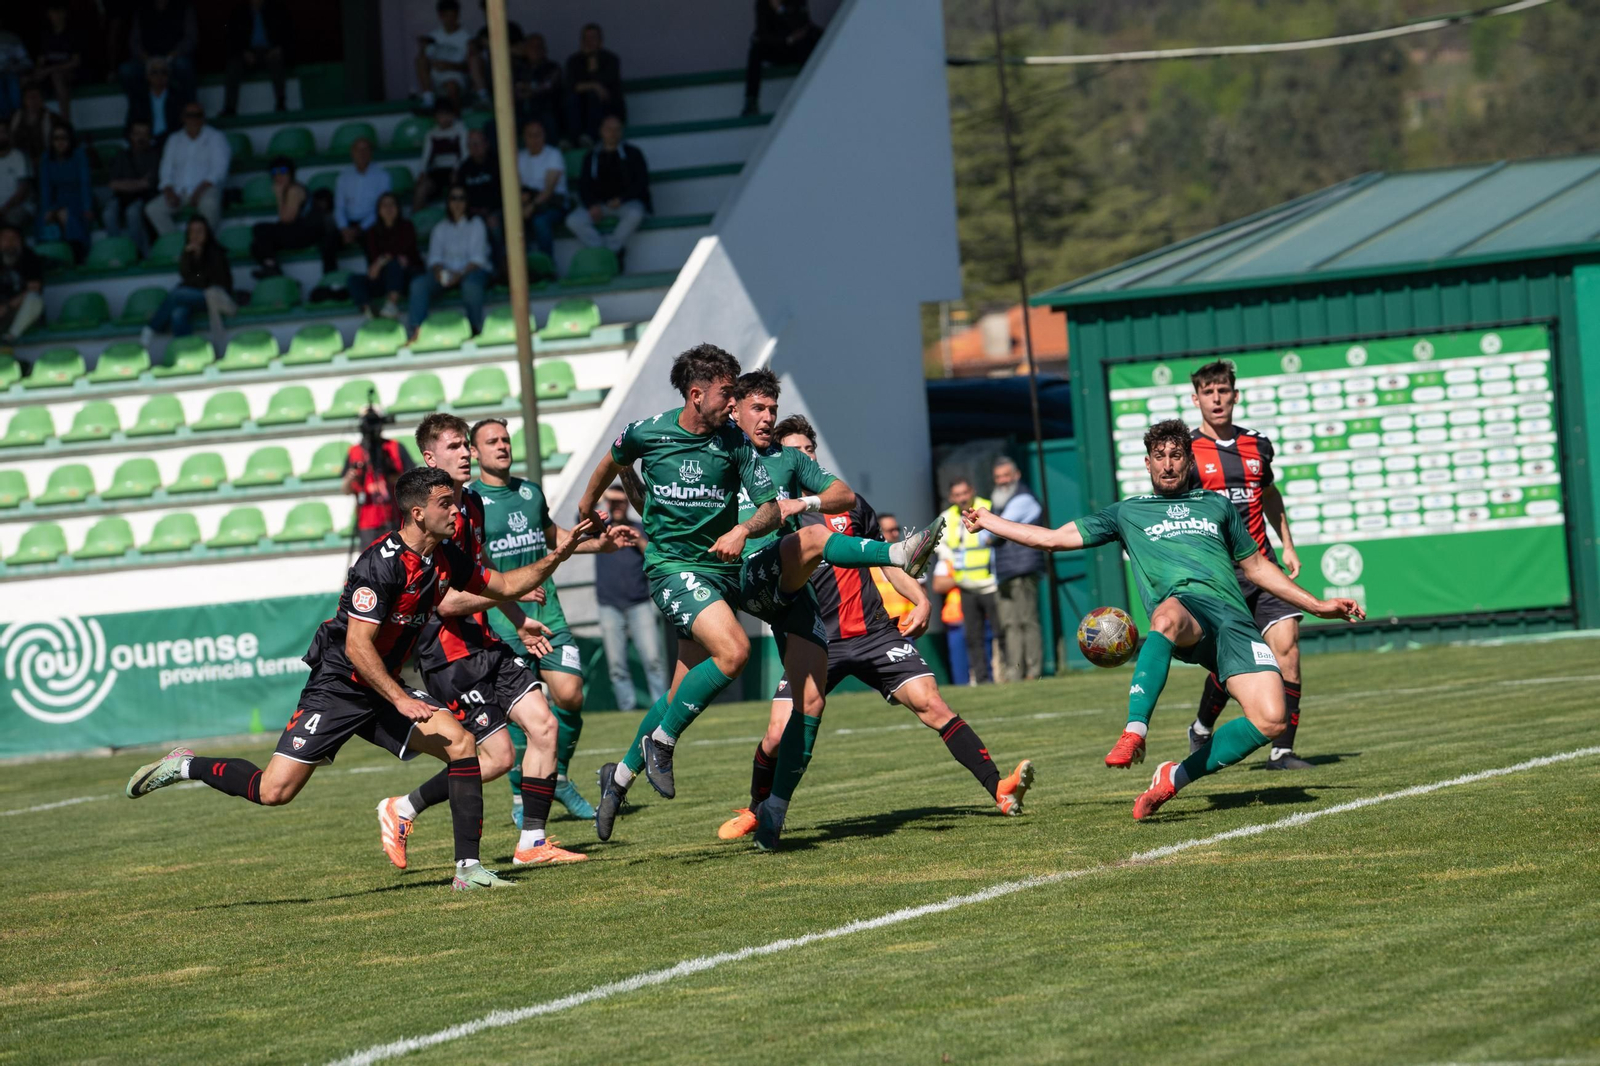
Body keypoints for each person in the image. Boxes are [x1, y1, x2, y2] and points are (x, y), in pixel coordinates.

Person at [126, 465, 596, 891]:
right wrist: (400, 698)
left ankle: (468, 870)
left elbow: (506, 585)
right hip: (341, 688)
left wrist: (562, 551)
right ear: (417, 513)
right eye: (445, 504)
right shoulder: (380, 564)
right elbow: (356, 647)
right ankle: (186, 765)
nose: (456, 510)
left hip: (383, 687)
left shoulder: (444, 558)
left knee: (461, 743)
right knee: (274, 792)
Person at [583, 357, 942, 848]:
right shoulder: (717, 446)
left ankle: (756, 806)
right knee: (796, 565)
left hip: (774, 582)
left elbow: (842, 496)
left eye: (771, 408)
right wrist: (614, 494)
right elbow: (653, 488)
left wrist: (802, 502)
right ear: (732, 409)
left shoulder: (784, 458)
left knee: (808, 700)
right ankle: (898, 551)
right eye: (755, 407)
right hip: (730, 576)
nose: (766, 417)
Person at [963, 419, 1363, 821]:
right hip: (1185, 612)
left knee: (1272, 719)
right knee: (1166, 616)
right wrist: (989, 521)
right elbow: (1050, 538)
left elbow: (1257, 565)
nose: (1168, 464)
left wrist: (1316, 605)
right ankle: (1134, 730)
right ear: (1148, 463)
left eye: (1176, 456)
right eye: (1160, 457)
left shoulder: (1216, 506)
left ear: (1189, 462)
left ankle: (1173, 777)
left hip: (1233, 622)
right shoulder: (1128, 512)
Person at [716, 408, 1032, 844]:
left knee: (931, 703)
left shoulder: (850, 504)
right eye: (795, 452)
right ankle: (758, 811)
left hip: (874, 633)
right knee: (775, 734)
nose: (805, 458)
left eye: (809, 450)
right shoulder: (777, 518)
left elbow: (886, 561)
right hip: (814, 638)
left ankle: (998, 787)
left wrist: (920, 597)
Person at [376, 414, 621, 869]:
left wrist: (519, 617)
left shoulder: (472, 505)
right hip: (448, 654)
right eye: (455, 447)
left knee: (544, 726)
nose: (466, 453)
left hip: (486, 640)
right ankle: (403, 807)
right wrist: (519, 587)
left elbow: (482, 575)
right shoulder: (427, 520)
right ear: (430, 458)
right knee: (497, 757)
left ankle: (532, 842)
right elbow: (447, 604)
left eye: (466, 446)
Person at [467, 417, 632, 824]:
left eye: (505, 439)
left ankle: (554, 775)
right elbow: (473, 564)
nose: (502, 446)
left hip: (550, 614)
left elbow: (552, 538)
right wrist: (512, 591)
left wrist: (599, 545)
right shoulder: (470, 502)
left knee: (571, 695)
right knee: (522, 713)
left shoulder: (529, 492)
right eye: (492, 441)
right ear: (475, 452)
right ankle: (523, 796)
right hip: (504, 622)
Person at [1184, 359, 1313, 770]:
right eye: (1209, 392)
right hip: (1218, 575)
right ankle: (1202, 727)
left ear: (1235, 396)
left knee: (1287, 649)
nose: (1217, 399)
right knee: (1232, 661)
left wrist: (1287, 545)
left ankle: (1282, 751)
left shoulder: (1258, 444)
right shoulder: (1187, 452)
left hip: (1263, 564)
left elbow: (1269, 495)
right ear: (1196, 398)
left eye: (1223, 391)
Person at [594, 483, 669, 712]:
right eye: (613, 502)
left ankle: (661, 707)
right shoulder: (600, 529)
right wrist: (605, 496)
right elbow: (583, 513)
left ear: (628, 503)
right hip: (609, 606)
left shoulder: (640, 527)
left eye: (622, 502)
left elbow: (653, 556)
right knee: (616, 665)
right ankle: (626, 709)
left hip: (640, 604)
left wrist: (637, 540)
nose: (618, 506)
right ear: (607, 502)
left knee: (654, 660)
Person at [986, 456, 1046, 682]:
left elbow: (993, 531)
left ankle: (1033, 670)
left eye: (1005, 476)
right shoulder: (997, 502)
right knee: (1010, 624)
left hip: (1022, 568)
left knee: (1027, 621)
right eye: (998, 477)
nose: (1001, 481)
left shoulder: (1024, 499)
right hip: (1004, 571)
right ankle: (1015, 672)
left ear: (1016, 475)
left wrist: (989, 530)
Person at [565, 114, 649, 266]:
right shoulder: (591, 157)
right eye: (609, 129)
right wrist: (591, 205)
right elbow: (583, 185)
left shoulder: (633, 154)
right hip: (599, 206)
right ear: (601, 131)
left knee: (636, 212)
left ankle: (612, 249)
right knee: (573, 220)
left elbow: (641, 183)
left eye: (617, 129)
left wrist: (622, 199)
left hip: (625, 204)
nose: (613, 133)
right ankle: (603, 250)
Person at [407, 183, 489, 338]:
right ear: (448, 202)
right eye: (453, 198)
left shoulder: (477, 224)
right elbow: (434, 259)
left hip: (471, 272)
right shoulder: (440, 228)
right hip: (446, 275)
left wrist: (460, 274)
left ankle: (474, 329)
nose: (457, 203)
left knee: (471, 285)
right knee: (419, 284)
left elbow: (477, 259)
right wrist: (439, 272)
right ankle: (416, 331)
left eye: (461, 198)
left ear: (467, 201)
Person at [940, 477, 1001, 684]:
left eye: (965, 493)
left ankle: (1007, 675)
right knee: (973, 637)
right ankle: (983, 680)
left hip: (991, 583)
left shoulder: (988, 507)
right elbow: (943, 548)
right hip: (965, 586)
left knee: (1000, 632)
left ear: (972, 490)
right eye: (957, 495)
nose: (962, 498)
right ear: (951, 497)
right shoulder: (947, 517)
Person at [138, 216, 232, 343]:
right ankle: (187, 349)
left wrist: (196, 270)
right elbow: (186, 275)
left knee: (178, 293)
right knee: (178, 313)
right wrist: (188, 257)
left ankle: (151, 328)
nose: (196, 235)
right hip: (194, 296)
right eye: (192, 231)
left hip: (214, 296)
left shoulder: (216, 253)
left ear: (206, 233)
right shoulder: (188, 253)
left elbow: (206, 279)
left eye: (200, 231)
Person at [249, 155, 339, 278]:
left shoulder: (294, 190)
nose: (279, 176)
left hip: (307, 233)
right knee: (256, 245)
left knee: (260, 229)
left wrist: (279, 197)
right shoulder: (289, 190)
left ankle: (272, 267)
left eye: (283, 171)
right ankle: (271, 266)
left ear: (291, 173)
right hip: (297, 232)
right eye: (275, 172)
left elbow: (287, 219)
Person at [147, 101, 229, 235]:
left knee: (210, 205)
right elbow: (166, 169)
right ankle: (177, 245)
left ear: (203, 117)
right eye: (190, 115)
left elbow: (219, 170)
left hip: (206, 190)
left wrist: (199, 191)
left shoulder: (216, 137)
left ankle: (204, 244)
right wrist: (168, 191)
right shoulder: (174, 139)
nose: (194, 119)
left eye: (198, 115)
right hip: (178, 191)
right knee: (153, 209)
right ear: (183, 118)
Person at [346, 192, 420, 320]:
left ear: (398, 208)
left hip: (406, 278)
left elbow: (404, 253)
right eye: (384, 205)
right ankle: (369, 310)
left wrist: (382, 261)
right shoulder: (372, 232)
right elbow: (373, 263)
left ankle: (391, 304)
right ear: (378, 210)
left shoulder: (407, 226)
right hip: (382, 278)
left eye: (392, 204)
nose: (388, 208)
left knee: (394, 265)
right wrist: (380, 263)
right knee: (353, 280)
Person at [343, 415, 414, 546]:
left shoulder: (394, 447)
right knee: (370, 563)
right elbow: (346, 490)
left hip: (395, 516)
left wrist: (390, 472)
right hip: (367, 522)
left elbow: (411, 478)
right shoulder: (354, 452)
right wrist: (350, 478)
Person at [743, 0, 821, 116]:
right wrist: (787, 40)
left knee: (807, 44)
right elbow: (762, 34)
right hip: (778, 48)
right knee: (756, 51)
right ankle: (751, 101)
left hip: (797, 49)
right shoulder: (763, 4)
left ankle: (810, 94)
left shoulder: (797, 2)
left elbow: (802, 27)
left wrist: (780, 10)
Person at [120, 0, 197, 104]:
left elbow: (191, 38)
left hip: (174, 58)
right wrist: (147, 59)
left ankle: (190, 109)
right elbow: (134, 42)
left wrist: (173, 55)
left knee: (184, 65)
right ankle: (139, 110)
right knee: (127, 71)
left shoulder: (183, 7)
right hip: (147, 60)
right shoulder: (142, 9)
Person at [34, 124, 92, 261]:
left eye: (64, 138)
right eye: (56, 138)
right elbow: (45, 186)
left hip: (78, 198)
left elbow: (85, 183)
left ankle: (78, 254)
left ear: (70, 140)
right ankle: (49, 258)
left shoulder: (79, 155)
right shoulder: (47, 158)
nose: (60, 142)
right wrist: (48, 209)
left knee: (68, 216)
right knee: (43, 219)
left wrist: (87, 207)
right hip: (56, 199)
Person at [223, 0, 290, 116]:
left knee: (278, 61)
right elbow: (232, 37)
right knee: (233, 66)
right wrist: (244, 52)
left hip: (270, 52)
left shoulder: (276, 9)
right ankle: (230, 108)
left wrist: (277, 48)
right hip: (247, 53)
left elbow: (287, 33)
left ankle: (281, 104)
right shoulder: (240, 11)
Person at [103, 120, 160, 257]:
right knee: (108, 214)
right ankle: (117, 253)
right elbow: (112, 184)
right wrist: (138, 183)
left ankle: (137, 254)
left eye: (144, 134)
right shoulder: (121, 155)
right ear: (130, 136)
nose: (140, 138)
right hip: (121, 198)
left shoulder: (154, 156)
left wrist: (126, 184)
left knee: (132, 213)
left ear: (150, 137)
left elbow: (148, 184)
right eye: (136, 134)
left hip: (145, 198)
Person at [563, 22, 623, 144]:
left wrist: (593, 72)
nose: (589, 42)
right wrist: (594, 85)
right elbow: (571, 86)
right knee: (571, 99)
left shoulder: (611, 59)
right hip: (580, 108)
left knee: (593, 95)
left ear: (600, 41)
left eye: (593, 38)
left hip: (607, 108)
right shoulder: (574, 61)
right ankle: (573, 138)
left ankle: (590, 136)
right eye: (586, 38)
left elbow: (607, 85)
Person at [515, 118, 566, 257]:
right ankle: (522, 266)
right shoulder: (519, 157)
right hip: (528, 202)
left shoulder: (553, 154)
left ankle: (547, 267)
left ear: (544, 136)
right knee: (509, 221)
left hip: (553, 204)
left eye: (538, 135)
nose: (534, 139)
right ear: (524, 137)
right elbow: (517, 187)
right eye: (530, 135)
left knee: (540, 222)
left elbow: (548, 190)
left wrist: (531, 206)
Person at [333, 137, 390, 254]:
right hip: (347, 223)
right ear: (352, 153)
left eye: (365, 149)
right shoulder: (343, 177)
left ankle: (373, 272)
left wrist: (360, 229)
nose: (362, 153)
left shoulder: (383, 176)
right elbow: (339, 207)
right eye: (358, 150)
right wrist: (344, 229)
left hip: (371, 223)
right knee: (328, 243)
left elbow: (382, 208)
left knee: (374, 243)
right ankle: (331, 273)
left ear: (371, 152)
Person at [455, 128, 501, 272]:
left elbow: (504, 195)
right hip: (473, 213)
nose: (474, 147)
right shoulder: (464, 169)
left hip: (497, 210)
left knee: (494, 225)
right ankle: (470, 270)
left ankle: (499, 268)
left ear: (487, 144)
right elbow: (460, 197)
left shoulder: (498, 163)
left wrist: (488, 213)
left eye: (478, 143)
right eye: (471, 144)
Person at [31, 1, 83, 125]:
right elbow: (40, 62)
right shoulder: (46, 36)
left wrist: (50, 70)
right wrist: (37, 73)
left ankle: (65, 123)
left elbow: (76, 62)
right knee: (26, 80)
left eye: (59, 12)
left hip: (69, 74)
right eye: (53, 13)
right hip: (48, 74)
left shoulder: (72, 34)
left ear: (64, 14)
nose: (56, 16)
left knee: (57, 77)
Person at [412, 97, 468, 211]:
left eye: (447, 114)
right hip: (437, 172)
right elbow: (425, 157)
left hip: (456, 170)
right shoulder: (431, 134)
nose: (444, 118)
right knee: (421, 188)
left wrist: (457, 169)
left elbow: (465, 155)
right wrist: (422, 173)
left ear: (453, 115)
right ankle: (416, 220)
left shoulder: (461, 130)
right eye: (440, 115)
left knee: (455, 181)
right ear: (435, 117)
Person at [415, 0, 471, 110]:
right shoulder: (432, 36)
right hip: (435, 78)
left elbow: (469, 67)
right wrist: (422, 49)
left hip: (456, 77)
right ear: (440, 16)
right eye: (446, 16)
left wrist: (449, 66)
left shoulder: (467, 38)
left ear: (458, 15)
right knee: (420, 60)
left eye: (453, 16)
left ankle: (455, 117)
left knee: (451, 86)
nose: (450, 20)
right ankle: (428, 99)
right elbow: (423, 63)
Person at [511, 33, 562, 141]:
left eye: (539, 46)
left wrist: (526, 87)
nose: (536, 49)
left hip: (543, 112)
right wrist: (535, 88)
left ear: (545, 49)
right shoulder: (517, 68)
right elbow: (513, 89)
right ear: (525, 49)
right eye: (532, 46)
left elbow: (548, 86)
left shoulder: (552, 67)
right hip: (520, 113)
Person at [0, 225, 45, 345]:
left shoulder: (29, 257)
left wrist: (8, 306)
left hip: (20, 311)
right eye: (5, 238)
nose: (9, 243)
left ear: (20, 241)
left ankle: (10, 336)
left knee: (34, 299)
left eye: (14, 238)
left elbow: (34, 287)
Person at [870, 513, 917, 624]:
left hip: (906, 625)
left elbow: (922, 594)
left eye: (897, 529)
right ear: (879, 532)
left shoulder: (909, 558)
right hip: (880, 626)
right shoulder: (868, 561)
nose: (895, 534)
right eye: (891, 530)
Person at [126, 58, 183, 145]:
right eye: (154, 72)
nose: (159, 76)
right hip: (146, 143)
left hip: (172, 142)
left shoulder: (177, 97)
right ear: (147, 75)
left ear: (168, 75)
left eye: (163, 72)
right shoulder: (139, 98)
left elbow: (180, 124)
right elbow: (131, 125)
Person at [8, 84, 60, 163]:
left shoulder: (53, 118)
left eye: (36, 97)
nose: (33, 100)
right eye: (29, 97)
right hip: (20, 160)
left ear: (42, 99)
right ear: (24, 100)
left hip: (45, 159)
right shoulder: (15, 117)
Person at [0, 125, 31, 231]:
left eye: (3, 132)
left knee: (13, 218)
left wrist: (4, 209)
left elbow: (22, 191)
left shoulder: (19, 156)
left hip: (16, 207)